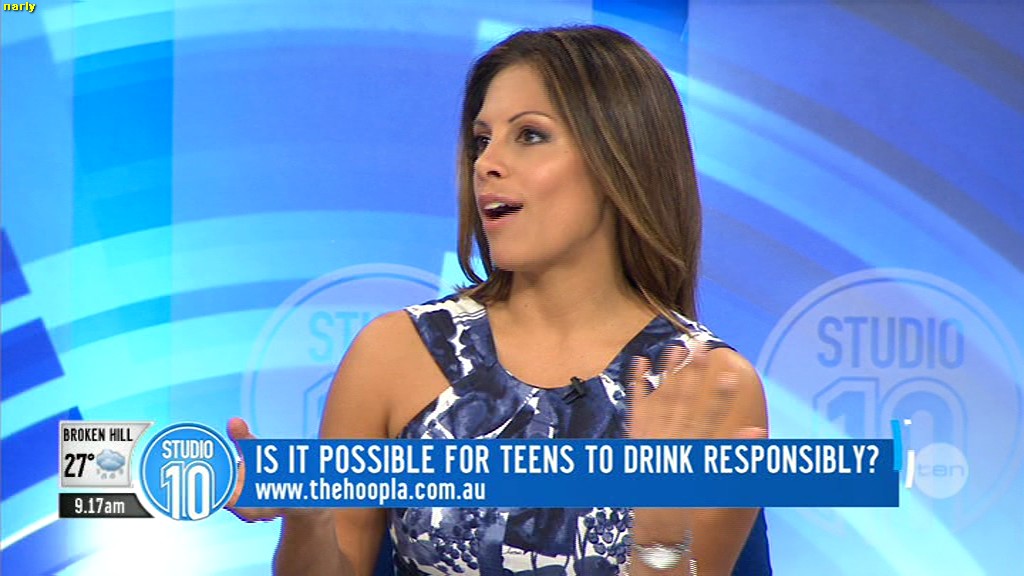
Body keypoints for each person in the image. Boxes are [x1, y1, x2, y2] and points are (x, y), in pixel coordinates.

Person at [229, 25, 770, 576]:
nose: (485, 163)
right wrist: (309, 516)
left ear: (621, 159)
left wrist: (660, 529)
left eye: (530, 135)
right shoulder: (394, 352)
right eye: (482, 139)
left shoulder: (707, 385)